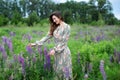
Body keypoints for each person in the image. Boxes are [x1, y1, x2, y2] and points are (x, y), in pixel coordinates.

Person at [29, 11, 72, 80]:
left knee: (65, 72)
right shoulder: (55, 27)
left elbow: (64, 42)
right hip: (56, 53)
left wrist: (55, 50)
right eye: (53, 20)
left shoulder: (67, 27)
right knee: (57, 71)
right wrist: (35, 44)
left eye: (55, 19)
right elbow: (46, 37)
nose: (54, 21)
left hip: (64, 52)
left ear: (59, 17)